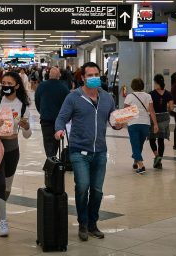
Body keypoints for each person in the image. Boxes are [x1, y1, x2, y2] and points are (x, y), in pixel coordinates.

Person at [54, 62, 120, 241]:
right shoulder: (73, 97)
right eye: (89, 75)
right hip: (78, 150)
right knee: (82, 187)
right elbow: (61, 118)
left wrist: (118, 124)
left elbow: (114, 119)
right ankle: (83, 223)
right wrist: (59, 130)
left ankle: (93, 224)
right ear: (82, 77)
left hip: (100, 151)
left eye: (96, 74)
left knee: (97, 190)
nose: (93, 77)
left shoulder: (107, 98)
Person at [0, 71, 32, 237]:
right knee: (0, 185)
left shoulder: (23, 106)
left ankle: (1, 205)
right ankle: (3, 220)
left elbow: (27, 135)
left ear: (17, 85)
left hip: (12, 149)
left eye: (10, 84)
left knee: (7, 186)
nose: (6, 86)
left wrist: (26, 126)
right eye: (4, 83)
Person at [124, 78, 159, 174]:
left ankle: (141, 165)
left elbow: (126, 111)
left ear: (132, 86)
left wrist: (122, 122)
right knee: (139, 144)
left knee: (135, 144)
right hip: (145, 124)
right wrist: (155, 124)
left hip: (133, 123)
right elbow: (152, 111)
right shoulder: (148, 96)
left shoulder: (129, 96)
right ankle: (136, 161)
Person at [35, 67, 70, 157]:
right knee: (56, 140)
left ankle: (50, 160)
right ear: (59, 76)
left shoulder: (41, 86)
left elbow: (37, 101)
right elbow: (68, 104)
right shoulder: (64, 87)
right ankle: (53, 158)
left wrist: (42, 111)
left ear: (49, 75)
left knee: (47, 140)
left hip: (45, 119)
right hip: (59, 120)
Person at [149, 74, 174, 169]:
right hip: (164, 117)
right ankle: (159, 161)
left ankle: (157, 156)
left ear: (155, 82)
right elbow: (171, 108)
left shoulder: (151, 94)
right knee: (161, 140)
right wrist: (166, 107)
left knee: (152, 138)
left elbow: (149, 108)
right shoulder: (168, 93)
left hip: (154, 117)